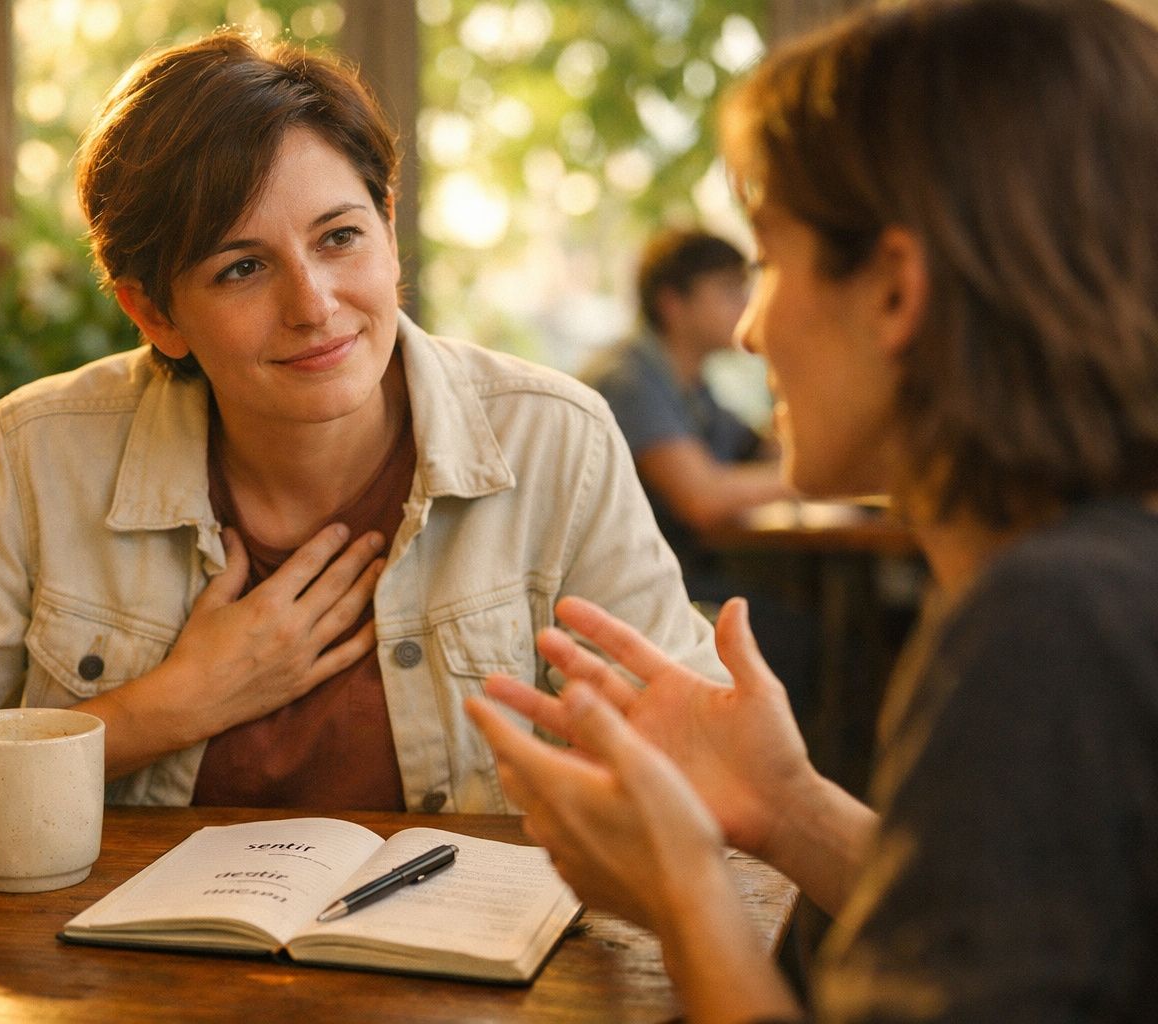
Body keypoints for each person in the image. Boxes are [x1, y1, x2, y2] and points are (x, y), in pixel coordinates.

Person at [0, 30, 725, 813]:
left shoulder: (555, 440)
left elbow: (695, 755)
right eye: (241, 267)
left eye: (339, 237)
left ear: (389, 229)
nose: (314, 305)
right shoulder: (42, 455)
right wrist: (158, 712)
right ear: (155, 313)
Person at [466, 0, 1158, 1020]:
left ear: (895, 293)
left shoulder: (1047, 628)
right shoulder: (1103, 583)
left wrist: (682, 890)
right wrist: (787, 807)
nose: (750, 330)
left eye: (770, 260)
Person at [580, 230, 813, 715]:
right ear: (673, 303)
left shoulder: (688, 383)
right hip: (616, 596)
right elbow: (702, 498)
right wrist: (815, 473)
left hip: (672, 575)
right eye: (729, 290)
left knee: (802, 621)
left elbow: (760, 452)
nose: (747, 305)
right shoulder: (629, 379)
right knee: (798, 640)